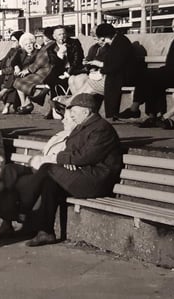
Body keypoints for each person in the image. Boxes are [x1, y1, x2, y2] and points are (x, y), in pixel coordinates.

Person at [24, 93, 123, 247]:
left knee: (47, 168)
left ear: (86, 111)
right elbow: (69, 151)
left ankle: (23, 204)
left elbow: (84, 157)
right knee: (50, 184)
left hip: (96, 180)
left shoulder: (102, 129)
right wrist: (70, 160)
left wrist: (66, 159)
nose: (71, 115)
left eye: (74, 112)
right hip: (81, 175)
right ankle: (45, 232)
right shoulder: (81, 127)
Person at [0, 110, 78, 239]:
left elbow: (65, 160)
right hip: (36, 167)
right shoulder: (60, 134)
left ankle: (0, 216)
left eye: (67, 119)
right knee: (9, 169)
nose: (63, 121)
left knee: (12, 186)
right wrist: (38, 158)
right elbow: (43, 151)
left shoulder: (75, 138)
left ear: (76, 121)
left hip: (47, 174)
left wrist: (44, 159)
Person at [118, 17, 174, 127]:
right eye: (172, 26)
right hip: (172, 71)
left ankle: (139, 110)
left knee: (148, 76)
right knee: (151, 80)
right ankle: (151, 115)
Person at [92, 23, 142, 120]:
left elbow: (116, 64)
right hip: (123, 73)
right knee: (107, 79)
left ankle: (111, 114)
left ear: (107, 36)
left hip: (127, 75)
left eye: (103, 38)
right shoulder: (117, 41)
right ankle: (110, 113)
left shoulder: (120, 43)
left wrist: (102, 70)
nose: (103, 41)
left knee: (110, 80)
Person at [4, 32, 54, 115]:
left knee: (17, 81)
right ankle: (25, 104)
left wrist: (28, 70)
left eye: (42, 36)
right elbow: (12, 62)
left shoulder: (47, 47)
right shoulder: (44, 46)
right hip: (37, 71)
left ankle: (25, 104)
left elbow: (39, 62)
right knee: (16, 80)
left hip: (43, 72)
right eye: (39, 36)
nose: (40, 38)